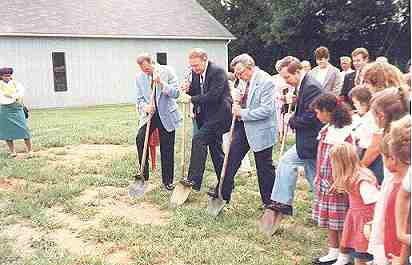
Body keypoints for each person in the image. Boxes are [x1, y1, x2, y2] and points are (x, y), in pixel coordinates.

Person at [261, 56, 323, 234]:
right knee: (315, 178)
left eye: (287, 77)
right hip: (307, 141)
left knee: (287, 162)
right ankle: (322, 209)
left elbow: (313, 116)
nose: (286, 81)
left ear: (298, 72)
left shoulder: (311, 87)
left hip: (312, 140)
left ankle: (282, 202)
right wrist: (293, 104)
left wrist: (293, 120)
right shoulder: (303, 86)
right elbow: (305, 108)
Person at [209, 53, 277, 209]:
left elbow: (266, 110)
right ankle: (222, 193)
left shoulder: (266, 81)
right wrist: (236, 101)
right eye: (236, 74)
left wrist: (243, 113)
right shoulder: (243, 80)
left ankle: (269, 203)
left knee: (264, 166)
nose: (238, 76)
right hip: (243, 127)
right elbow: (240, 99)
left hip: (261, 129)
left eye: (240, 73)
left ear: (250, 67)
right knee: (231, 159)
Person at [179, 48, 232, 192]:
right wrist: (187, 89)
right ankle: (226, 184)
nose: (194, 68)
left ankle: (193, 181)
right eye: (192, 66)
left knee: (199, 140)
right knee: (216, 151)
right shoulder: (196, 73)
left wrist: (191, 98)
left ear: (205, 59)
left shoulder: (218, 72)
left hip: (220, 116)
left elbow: (213, 96)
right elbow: (197, 92)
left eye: (196, 65)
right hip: (206, 117)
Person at [311, 94, 353, 265]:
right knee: (330, 219)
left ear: (328, 111)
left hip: (338, 183)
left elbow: (349, 160)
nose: (317, 116)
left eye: (318, 112)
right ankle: (333, 251)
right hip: (324, 181)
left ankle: (344, 255)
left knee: (340, 221)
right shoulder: (327, 129)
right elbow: (321, 156)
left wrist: (341, 181)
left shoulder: (346, 133)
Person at [135, 53, 181, 191]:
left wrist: (161, 83)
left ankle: (167, 181)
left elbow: (176, 93)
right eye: (142, 70)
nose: (145, 72)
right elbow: (139, 100)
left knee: (167, 147)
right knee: (140, 138)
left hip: (166, 114)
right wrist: (145, 107)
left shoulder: (167, 71)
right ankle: (143, 175)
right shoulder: (139, 77)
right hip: (151, 115)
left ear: (152, 63)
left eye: (147, 69)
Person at [330, 143, 378, 265]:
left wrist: (372, 224)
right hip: (356, 218)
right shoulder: (351, 177)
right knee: (358, 252)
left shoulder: (362, 179)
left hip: (365, 221)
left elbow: (374, 201)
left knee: (362, 253)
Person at [350, 85, 384, 184]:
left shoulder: (374, 117)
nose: (354, 106)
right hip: (364, 153)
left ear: (364, 103)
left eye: (355, 103)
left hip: (373, 159)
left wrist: (362, 166)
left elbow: (375, 147)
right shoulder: (364, 117)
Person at [0, 67, 32, 158]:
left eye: (9, 75)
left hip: (16, 108)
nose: (8, 77)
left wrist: (11, 96)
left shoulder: (16, 83)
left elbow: (21, 93)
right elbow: (2, 97)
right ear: (1, 76)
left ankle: (30, 150)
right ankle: (12, 151)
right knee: (7, 131)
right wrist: (12, 96)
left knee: (24, 129)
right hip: (4, 109)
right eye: (5, 76)